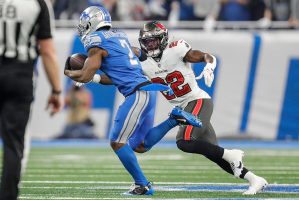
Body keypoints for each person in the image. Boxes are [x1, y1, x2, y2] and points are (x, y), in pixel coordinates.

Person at [64, 6, 201, 196]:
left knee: (117, 142)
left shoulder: (94, 42)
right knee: (139, 145)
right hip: (148, 90)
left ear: (90, 23)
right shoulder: (118, 36)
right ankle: (174, 118)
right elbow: (126, 66)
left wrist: (69, 72)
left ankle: (142, 185)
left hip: (137, 94)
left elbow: (86, 74)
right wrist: (93, 77)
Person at [134, 21, 268, 195]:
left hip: (197, 101)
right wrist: (94, 78)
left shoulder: (176, 49)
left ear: (164, 39)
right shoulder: (143, 64)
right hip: (184, 108)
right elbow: (119, 78)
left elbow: (205, 56)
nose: (150, 45)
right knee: (215, 154)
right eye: (147, 42)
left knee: (185, 142)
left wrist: (209, 65)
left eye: (154, 40)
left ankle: (232, 154)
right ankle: (255, 179)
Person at [0, 0, 63, 200]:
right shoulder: (38, 3)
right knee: (14, 143)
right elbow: (47, 50)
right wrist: (56, 90)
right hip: (19, 74)